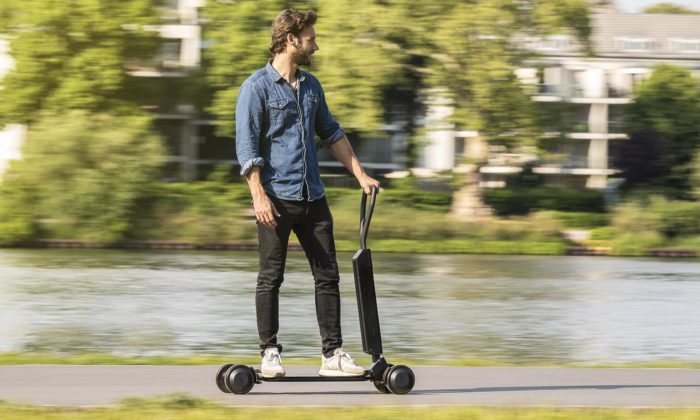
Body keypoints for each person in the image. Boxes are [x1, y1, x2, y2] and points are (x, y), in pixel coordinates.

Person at [235, 9, 381, 378]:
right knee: (271, 277)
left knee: (327, 275)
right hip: (276, 198)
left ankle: (332, 354)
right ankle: (269, 353)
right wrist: (258, 196)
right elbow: (247, 148)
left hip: (312, 196)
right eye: (311, 38)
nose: (316, 44)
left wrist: (361, 175)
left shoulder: (312, 86)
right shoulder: (256, 88)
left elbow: (332, 133)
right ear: (291, 40)